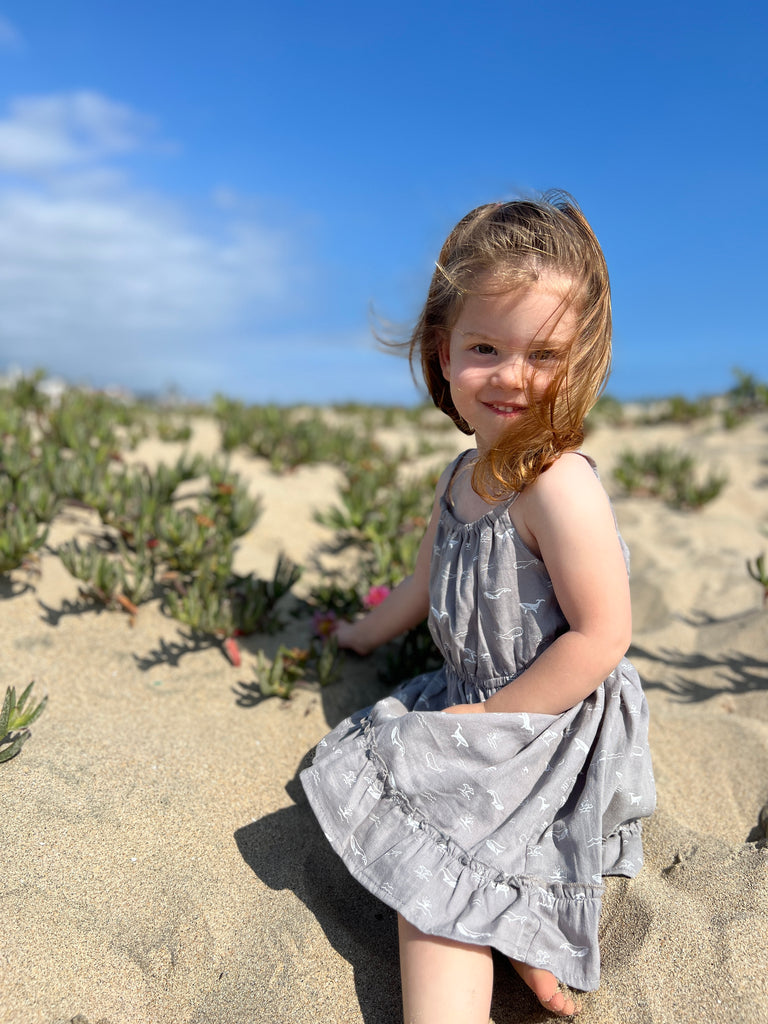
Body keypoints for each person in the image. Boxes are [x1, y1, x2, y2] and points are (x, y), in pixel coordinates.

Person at [300, 192, 655, 1022]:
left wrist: (488, 723)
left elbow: (603, 636)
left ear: (583, 361)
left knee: (437, 860)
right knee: (387, 783)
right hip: (472, 696)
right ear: (443, 351)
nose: (512, 377)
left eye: (544, 354)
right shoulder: (460, 476)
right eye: (485, 347)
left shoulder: (559, 486)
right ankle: (521, 938)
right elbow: (425, 580)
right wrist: (361, 633)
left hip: (550, 722)